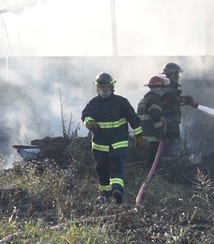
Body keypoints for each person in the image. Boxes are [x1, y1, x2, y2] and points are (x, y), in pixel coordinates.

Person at [82, 71, 143, 204]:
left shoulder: (121, 102)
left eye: (106, 86)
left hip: (118, 143)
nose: (104, 89)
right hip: (99, 144)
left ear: (111, 86)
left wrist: (139, 135)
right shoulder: (93, 103)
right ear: (97, 88)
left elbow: (134, 119)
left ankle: (117, 191)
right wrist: (89, 122)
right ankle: (104, 194)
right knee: (102, 169)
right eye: (101, 87)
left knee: (116, 165)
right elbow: (85, 115)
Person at [158, 61, 200, 158]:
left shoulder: (167, 86)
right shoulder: (168, 87)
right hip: (169, 123)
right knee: (171, 144)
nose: (178, 77)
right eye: (176, 74)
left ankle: (169, 164)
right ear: (171, 75)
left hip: (170, 122)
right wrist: (183, 99)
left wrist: (186, 101)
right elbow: (170, 99)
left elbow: (171, 102)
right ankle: (169, 166)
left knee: (171, 145)